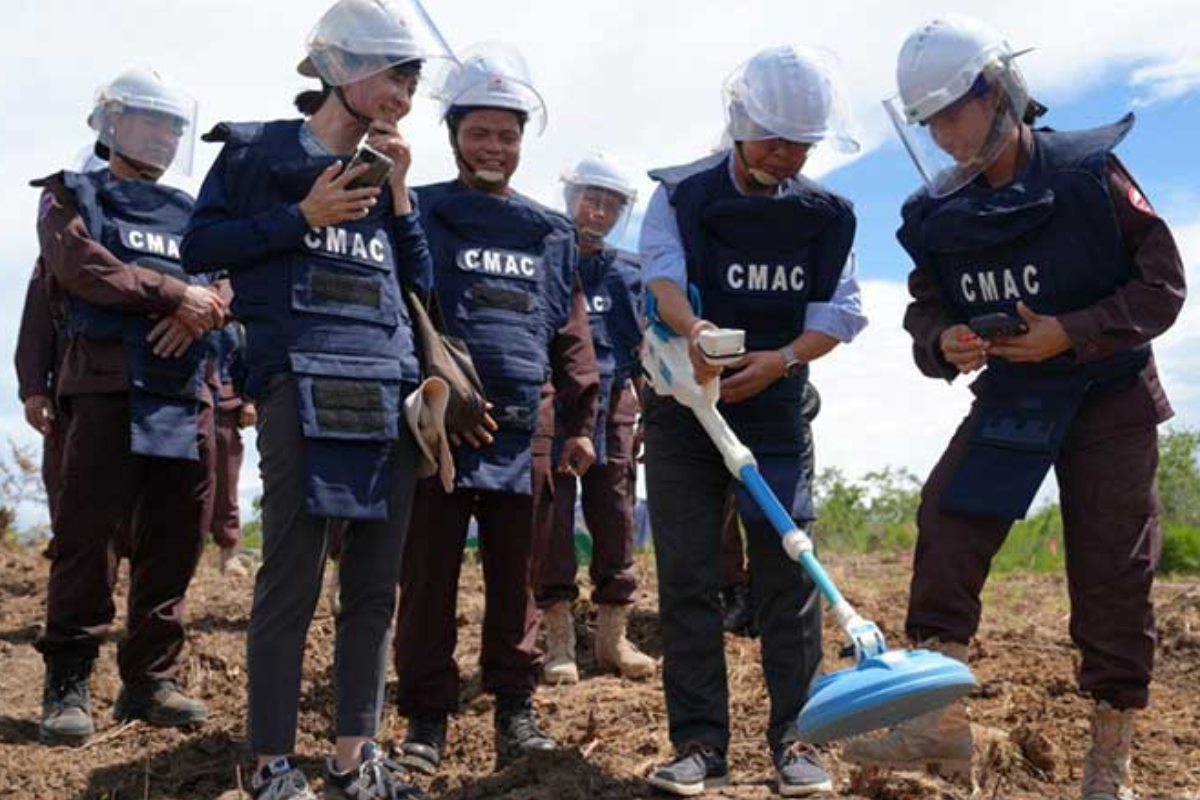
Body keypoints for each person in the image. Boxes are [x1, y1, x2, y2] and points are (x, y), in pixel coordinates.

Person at [843, 17, 1186, 800]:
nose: (941, 135)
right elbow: (924, 310)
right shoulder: (935, 215)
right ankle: (935, 726)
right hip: (1014, 396)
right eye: (926, 121)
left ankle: (1111, 754)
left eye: (950, 113)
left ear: (997, 92)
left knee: (1111, 568)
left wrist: (1072, 330)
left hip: (1112, 396)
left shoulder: (1088, 174)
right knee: (947, 521)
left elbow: (1162, 285)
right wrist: (947, 343)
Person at [181, 1, 454, 796]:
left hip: (389, 388)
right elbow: (203, 248)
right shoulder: (254, 152)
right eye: (390, 73)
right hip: (298, 379)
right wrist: (298, 217)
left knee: (375, 584)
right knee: (292, 579)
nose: (402, 91)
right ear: (339, 68)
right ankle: (270, 763)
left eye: (410, 78)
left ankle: (353, 758)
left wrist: (400, 196)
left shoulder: (390, 172)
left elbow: (422, 287)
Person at [640, 45, 867, 797]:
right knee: (690, 575)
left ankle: (797, 740)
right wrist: (698, 334)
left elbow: (842, 312)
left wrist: (783, 359)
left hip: (773, 408)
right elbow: (663, 276)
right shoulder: (681, 195)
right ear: (739, 123)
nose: (787, 155)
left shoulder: (827, 216)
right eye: (775, 137)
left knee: (786, 570)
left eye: (802, 143)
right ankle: (699, 744)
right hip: (683, 410)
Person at [392, 43, 600, 776]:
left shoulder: (549, 230)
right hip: (439, 434)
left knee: (520, 581)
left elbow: (571, 330)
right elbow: (403, 309)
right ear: (453, 136)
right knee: (428, 579)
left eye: (507, 135)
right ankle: (425, 717)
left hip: (526, 436)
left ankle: (516, 708)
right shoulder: (420, 212)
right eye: (480, 132)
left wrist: (579, 422)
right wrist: (423, 401)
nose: (494, 147)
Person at [33, 66, 223, 747]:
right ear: (113, 126)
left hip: (184, 391)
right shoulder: (71, 195)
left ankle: (149, 681)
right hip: (107, 386)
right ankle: (69, 681)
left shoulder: (196, 211)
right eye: (151, 123)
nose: (166, 137)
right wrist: (175, 297)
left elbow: (224, 282)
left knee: (176, 538)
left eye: (174, 127)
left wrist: (204, 312)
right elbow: (83, 269)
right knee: (88, 538)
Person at [536, 153, 655, 685]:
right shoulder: (545, 256)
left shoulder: (629, 273)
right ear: (571, 197)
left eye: (611, 204)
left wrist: (651, 411)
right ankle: (558, 637)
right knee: (552, 517)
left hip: (616, 404)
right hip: (556, 402)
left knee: (616, 512)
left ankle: (612, 638)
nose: (599, 211)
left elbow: (644, 351)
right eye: (591, 198)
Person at [718, 382, 821, 638]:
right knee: (720, 508)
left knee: (780, 512)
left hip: (778, 403)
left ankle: (766, 598)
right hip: (710, 405)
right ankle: (735, 594)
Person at [206, 320, 255, 577]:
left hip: (225, 404)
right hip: (188, 400)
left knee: (226, 483)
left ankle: (229, 555)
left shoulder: (236, 319)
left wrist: (248, 402)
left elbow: (246, 358)